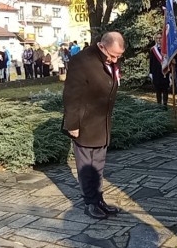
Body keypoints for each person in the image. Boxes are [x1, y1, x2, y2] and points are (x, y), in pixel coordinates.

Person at [62, 31, 124, 220]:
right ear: (102, 46)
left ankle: (99, 200)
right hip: (83, 123)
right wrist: (72, 124)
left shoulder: (110, 60)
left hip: (101, 124)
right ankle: (90, 202)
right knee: (86, 168)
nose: (115, 60)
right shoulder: (82, 61)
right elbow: (71, 95)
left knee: (98, 166)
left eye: (119, 56)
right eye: (112, 55)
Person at [148, 33, 170, 108]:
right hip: (156, 72)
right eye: (157, 38)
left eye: (160, 38)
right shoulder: (153, 49)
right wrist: (151, 72)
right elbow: (151, 62)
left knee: (165, 89)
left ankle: (165, 105)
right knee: (158, 90)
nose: (159, 40)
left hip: (165, 72)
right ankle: (158, 105)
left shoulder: (166, 49)